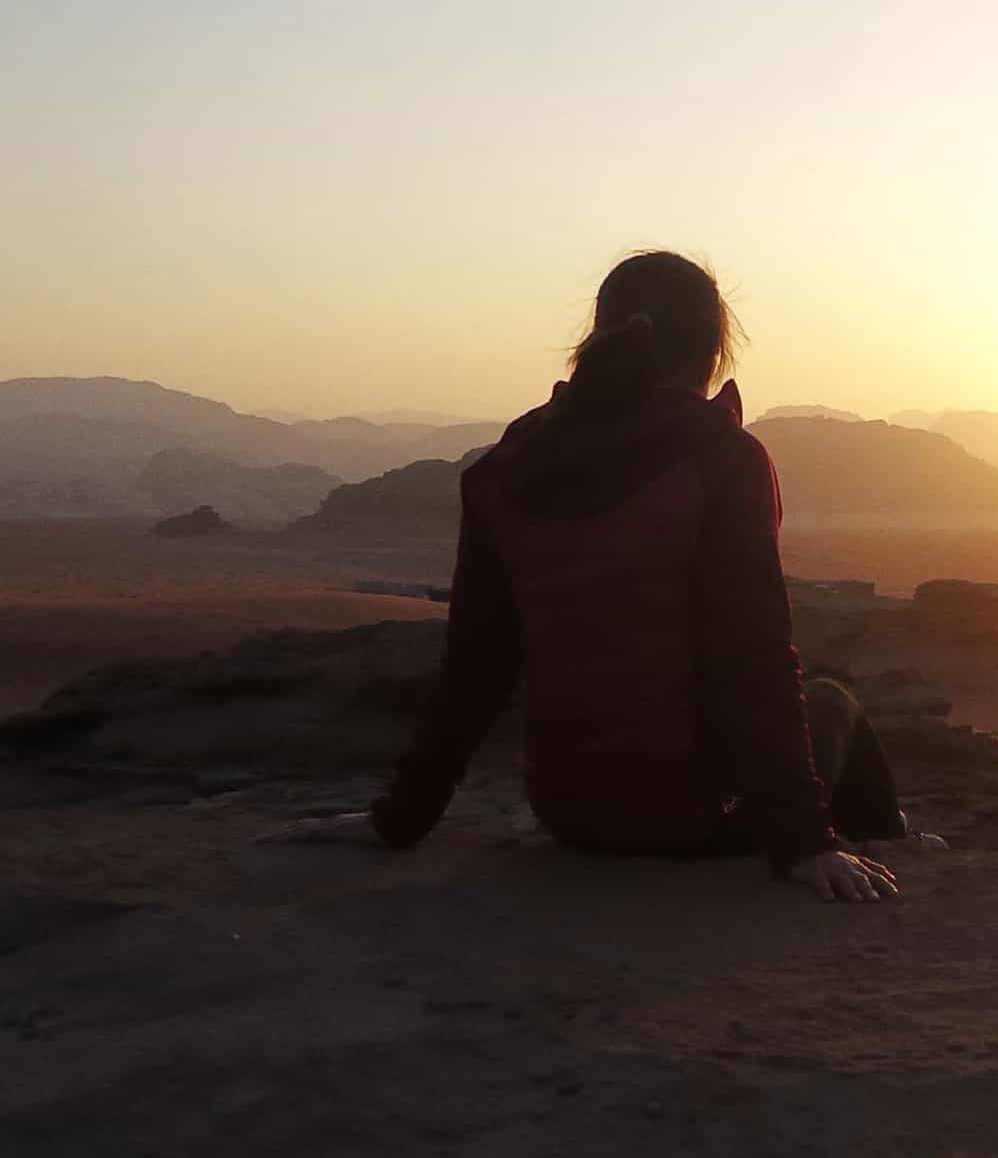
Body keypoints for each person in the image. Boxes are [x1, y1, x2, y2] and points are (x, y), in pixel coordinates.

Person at [266, 251, 910, 902]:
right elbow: (756, 659)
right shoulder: (722, 460)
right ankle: (888, 847)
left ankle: (877, 840)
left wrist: (400, 817)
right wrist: (804, 841)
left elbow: (476, 666)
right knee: (832, 702)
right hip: (694, 816)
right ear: (714, 352)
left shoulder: (511, 463)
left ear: (598, 336)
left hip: (570, 814)